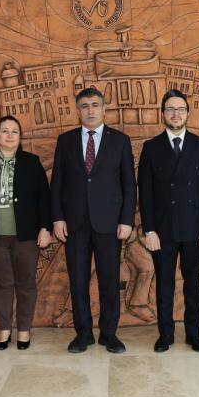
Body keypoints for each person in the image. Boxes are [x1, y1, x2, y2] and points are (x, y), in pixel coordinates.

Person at [51, 87, 136, 354]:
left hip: (109, 223)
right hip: (74, 223)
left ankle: (109, 333)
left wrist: (126, 220)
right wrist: (58, 218)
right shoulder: (65, 141)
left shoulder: (120, 141)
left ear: (103, 108)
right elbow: (57, 183)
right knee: (78, 280)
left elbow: (129, 184)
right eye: (85, 106)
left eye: (95, 105)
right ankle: (83, 333)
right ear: (78, 110)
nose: (90, 110)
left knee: (109, 280)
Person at [138, 89, 199, 353]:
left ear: (187, 113)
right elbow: (145, 192)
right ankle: (166, 334)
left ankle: (194, 334)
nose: (175, 114)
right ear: (163, 114)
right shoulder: (151, 147)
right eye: (170, 109)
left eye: (180, 109)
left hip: (194, 229)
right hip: (162, 230)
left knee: (193, 284)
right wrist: (149, 229)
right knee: (164, 284)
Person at [0, 116, 51, 350]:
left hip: (27, 235)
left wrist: (45, 228)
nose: (10, 135)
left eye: (15, 131)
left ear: (20, 136)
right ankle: (4, 328)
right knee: (3, 283)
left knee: (26, 283)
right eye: (5, 131)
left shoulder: (32, 162)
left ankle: (24, 329)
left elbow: (44, 198)